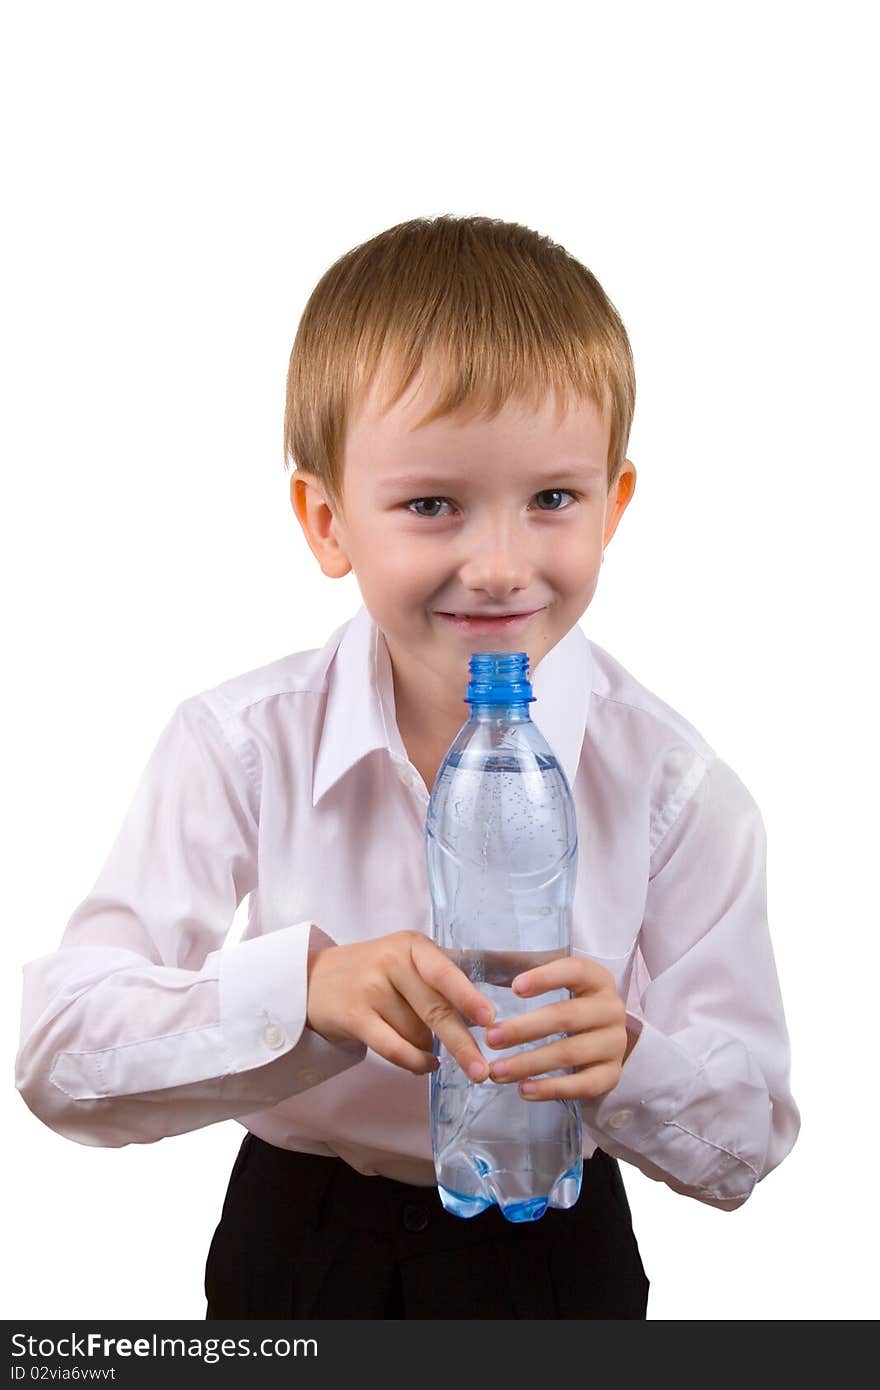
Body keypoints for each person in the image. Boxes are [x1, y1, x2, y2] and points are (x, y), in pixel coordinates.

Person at [15, 214, 800, 1320]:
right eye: (432, 505)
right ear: (327, 519)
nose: (498, 564)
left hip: (552, 1245)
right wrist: (300, 995)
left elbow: (745, 1138)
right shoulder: (240, 742)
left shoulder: (672, 786)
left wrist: (626, 1057)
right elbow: (58, 1050)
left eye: (552, 499)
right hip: (302, 1242)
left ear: (614, 507)